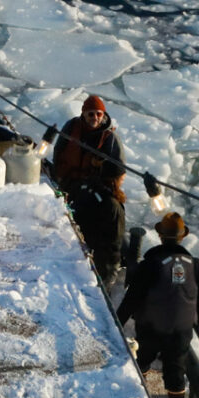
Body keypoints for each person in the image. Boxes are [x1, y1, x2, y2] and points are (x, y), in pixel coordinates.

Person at [116, 212, 199, 398]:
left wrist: (117, 322)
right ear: (182, 237)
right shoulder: (195, 264)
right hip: (181, 330)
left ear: (160, 236)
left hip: (151, 327)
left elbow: (133, 296)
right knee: (175, 372)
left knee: (144, 361)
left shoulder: (152, 262)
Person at [51, 93, 127, 283]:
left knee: (113, 212)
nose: (95, 118)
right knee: (77, 213)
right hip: (72, 182)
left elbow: (118, 170)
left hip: (99, 186)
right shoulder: (71, 128)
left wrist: (100, 168)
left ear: (104, 115)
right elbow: (59, 154)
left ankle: (109, 267)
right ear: (83, 114)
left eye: (98, 114)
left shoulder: (110, 139)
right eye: (91, 114)